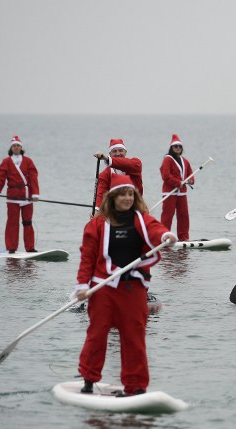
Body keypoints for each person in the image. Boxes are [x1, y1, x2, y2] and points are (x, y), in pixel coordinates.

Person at [74, 174, 177, 396]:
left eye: (131, 194)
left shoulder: (142, 219)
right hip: (103, 289)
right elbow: (87, 258)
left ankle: (136, 387)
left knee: (134, 337)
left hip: (133, 290)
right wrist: (82, 285)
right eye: (123, 194)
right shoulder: (96, 225)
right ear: (112, 197)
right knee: (97, 334)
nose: (128, 198)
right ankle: (89, 381)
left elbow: (156, 230)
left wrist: (167, 235)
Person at [0, 135, 40, 253]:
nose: (16, 147)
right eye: (14, 146)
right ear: (11, 148)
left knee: (27, 222)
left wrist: (35, 194)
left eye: (18, 145)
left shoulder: (28, 161)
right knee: (12, 222)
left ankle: (30, 248)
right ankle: (11, 248)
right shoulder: (6, 162)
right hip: (12, 196)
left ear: (21, 147)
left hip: (27, 195)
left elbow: (33, 178)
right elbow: (0, 177)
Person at [159, 134, 195, 241]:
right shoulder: (167, 159)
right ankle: (164, 236)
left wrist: (191, 180)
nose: (178, 148)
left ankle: (184, 238)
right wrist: (177, 183)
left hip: (182, 193)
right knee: (167, 215)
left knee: (183, 216)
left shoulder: (185, 161)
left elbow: (190, 173)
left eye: (179, 146)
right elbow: (165, 175)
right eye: (175, 146)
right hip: (170, 192)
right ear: (171, 148)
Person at [94, 138, 143, 212]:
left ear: (126, 152)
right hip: (115, 211)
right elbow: (101, 195)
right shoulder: (105, 174)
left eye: (120, 150)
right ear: (110, 154)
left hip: (136, 208)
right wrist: (97, 211)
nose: (117, 154)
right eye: (114, 151)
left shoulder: (136, 164)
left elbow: (125, 163)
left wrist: (107, 159)